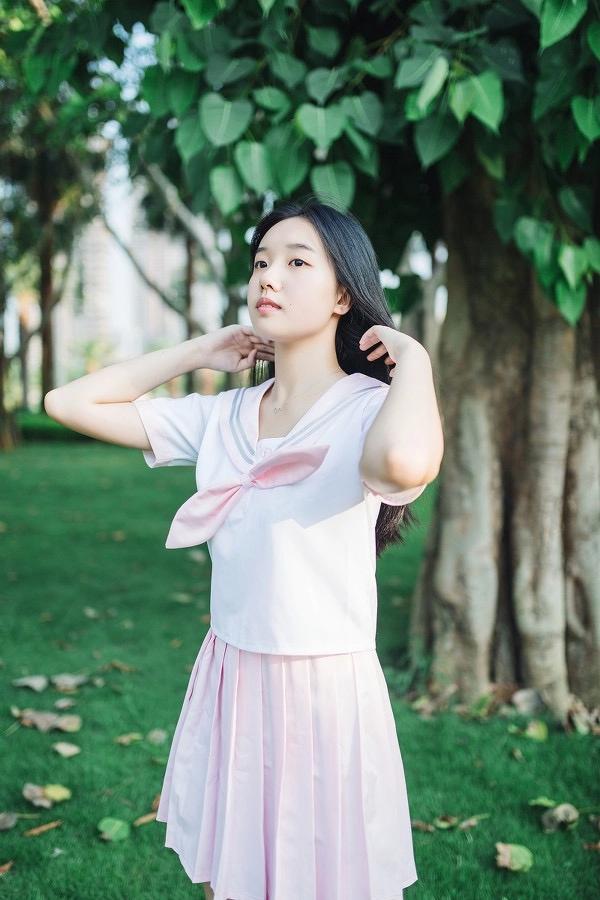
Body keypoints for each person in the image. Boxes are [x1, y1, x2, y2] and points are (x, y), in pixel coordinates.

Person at [44, 197, 444, 899]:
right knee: (233, 876)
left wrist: (413, 360)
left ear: (343, 296)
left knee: (325, 879)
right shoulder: (223, 415)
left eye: (296, 262)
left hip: (325, 689)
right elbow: (67, 404)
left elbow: (402, 465)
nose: (269, 276)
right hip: (234, 676)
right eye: (261, 261)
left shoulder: (366, 407)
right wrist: (198, 352)